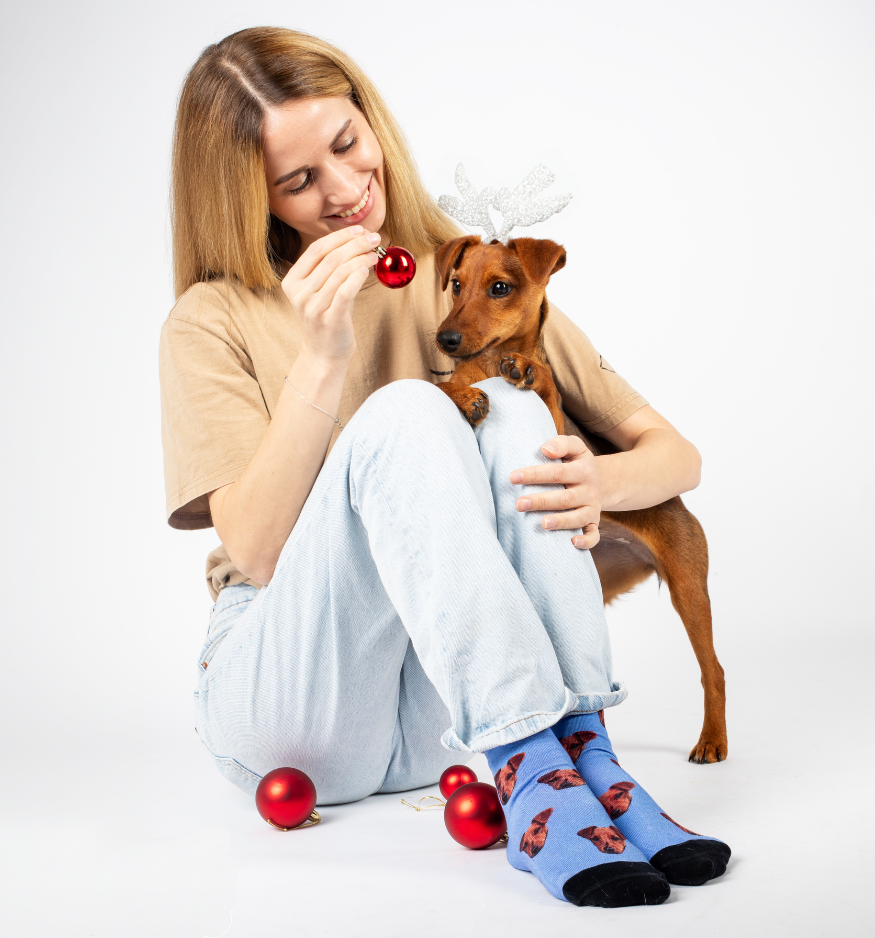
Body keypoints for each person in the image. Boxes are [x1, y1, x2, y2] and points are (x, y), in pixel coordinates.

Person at [159, 26, 729, 908]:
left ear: (372, 122)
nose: (347, 192)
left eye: (350, 147)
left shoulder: (464, 272)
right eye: (300, 181)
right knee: (418, 407)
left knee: (508, 400)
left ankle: (583, 760)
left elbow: (675, 455)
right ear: (248, 196)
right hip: (288, 695)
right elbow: (263, 555)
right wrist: (322, 354)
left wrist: (598, 483)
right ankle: (541, 783)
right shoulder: (212, 318)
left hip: (444, 711)